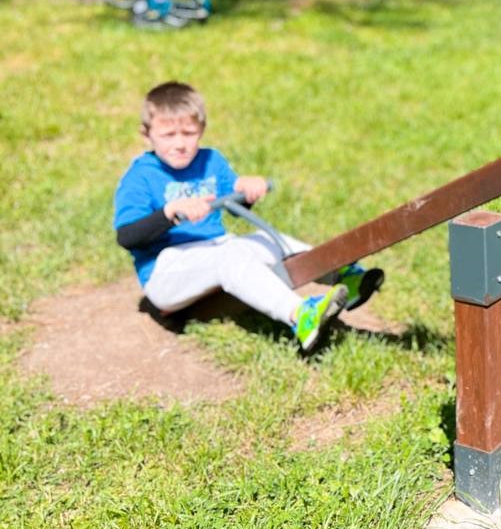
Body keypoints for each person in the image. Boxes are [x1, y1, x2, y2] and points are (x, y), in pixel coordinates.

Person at [113, 82, 385, 354]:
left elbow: (234, 198)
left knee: (266, 240)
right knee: (229, 257)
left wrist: (247, 189)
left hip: (218, 246)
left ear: (202, 130)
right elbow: (127, 236)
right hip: (168, 271)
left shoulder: (210, 160)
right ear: (147, 134)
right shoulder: (140, 177)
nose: (180, 144)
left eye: (188, 133)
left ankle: (342, 273)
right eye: (168, 135)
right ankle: (299, 316)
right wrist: (169, 213)